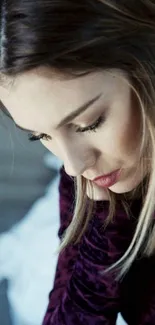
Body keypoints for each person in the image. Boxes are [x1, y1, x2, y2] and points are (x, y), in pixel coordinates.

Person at [0, 0, 155, 324]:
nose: (73, 166)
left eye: (89, 124)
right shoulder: (87, 188)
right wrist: (101, 229)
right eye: (40, 135)